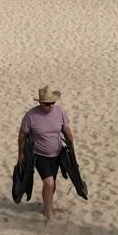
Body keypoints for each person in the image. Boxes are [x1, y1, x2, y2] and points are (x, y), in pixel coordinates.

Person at [19, 86, 75, 225]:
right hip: (39, 155)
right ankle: (49, 214)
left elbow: (66, 131)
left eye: (52, 103)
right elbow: (22, 134)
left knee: (52, 184)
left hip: (57, 154)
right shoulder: (31, 116)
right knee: (49, 183)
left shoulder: (60, 112)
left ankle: (46, 205)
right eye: (46, 104)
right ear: (40, 102)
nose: (50, 106)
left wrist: (72, 150)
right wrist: (21, 153)